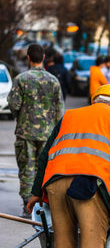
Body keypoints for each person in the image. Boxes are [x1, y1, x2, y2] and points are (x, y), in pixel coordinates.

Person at [27, 84, 110, 248]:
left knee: (63, 243)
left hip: (56, 185)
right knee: (91, 243)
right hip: (89, 188)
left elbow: (45, 156)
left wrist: (36, 192)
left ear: (95, 101)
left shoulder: (69, 116)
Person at [7, 44, 65, 218]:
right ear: (44, 57)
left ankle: (27, 205)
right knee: (46, 169)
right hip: (48, 134)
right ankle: (45, 204)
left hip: (26, 132)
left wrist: (22, 116)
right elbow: (60, 110)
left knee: (27, 168)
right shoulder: (53, 80)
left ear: (28, 58)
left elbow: (14, 104)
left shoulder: (21, 79)